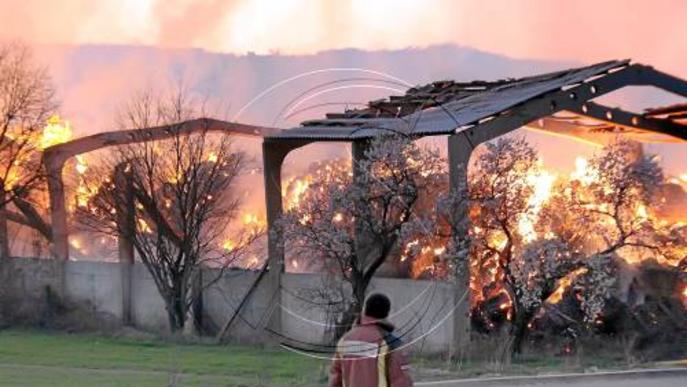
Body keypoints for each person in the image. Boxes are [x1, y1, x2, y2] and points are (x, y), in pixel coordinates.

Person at [330, 293, 413, 387]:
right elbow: (400, 380)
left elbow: (336, 378)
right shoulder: (390, 342)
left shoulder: (345, 340)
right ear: (386, 314)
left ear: (365, 310)